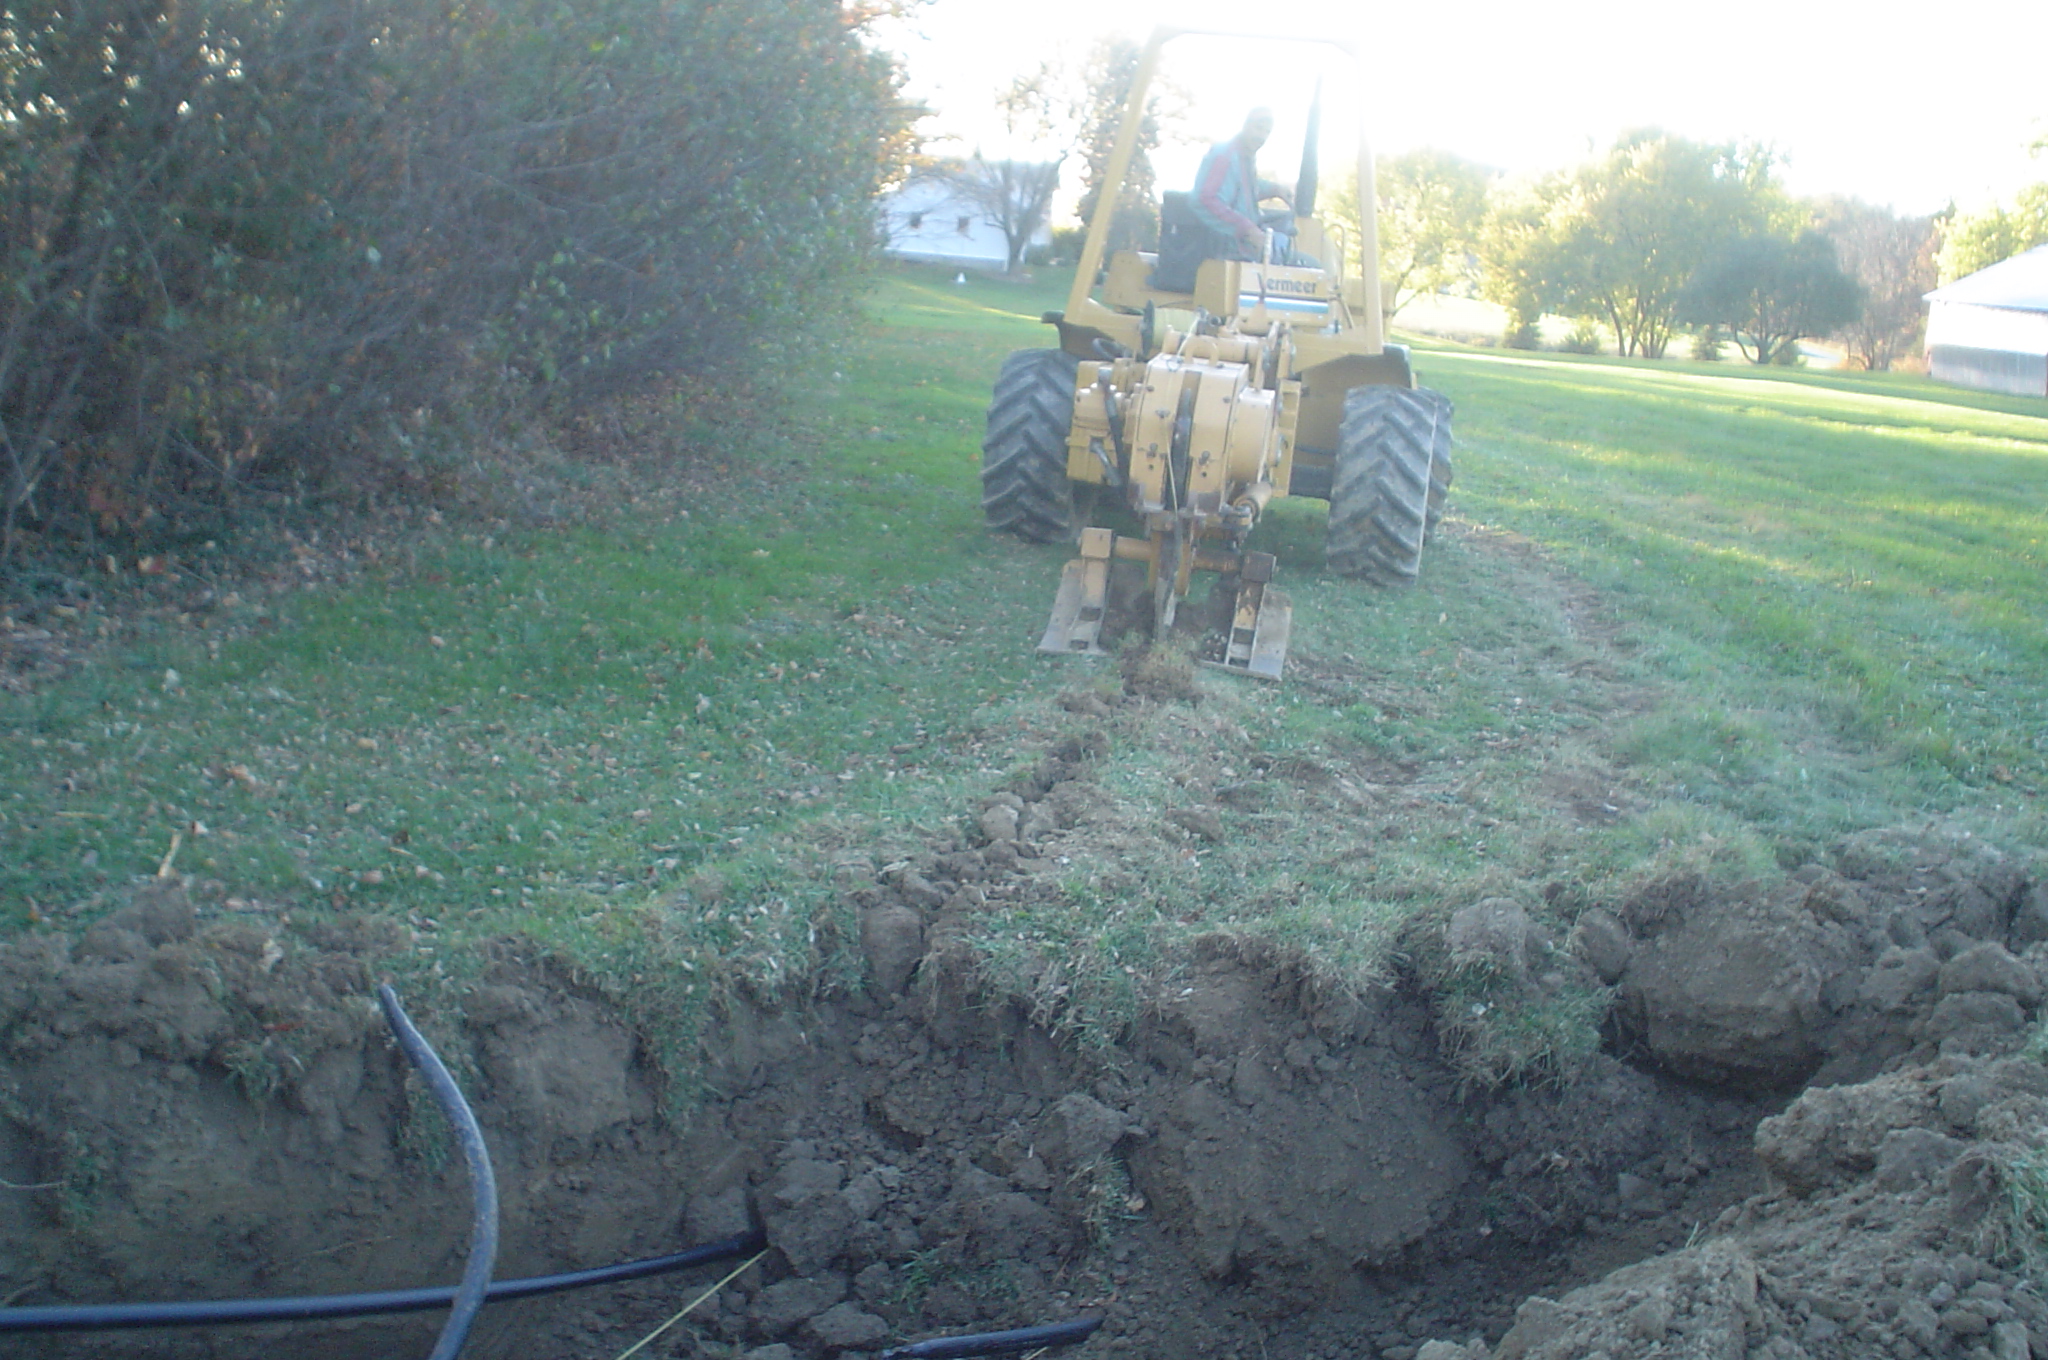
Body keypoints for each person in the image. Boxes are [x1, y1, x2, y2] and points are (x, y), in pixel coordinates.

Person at [1191, 108, 1296, 261]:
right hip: (1219, 253)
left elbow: (1244, 192)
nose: (1261, 136)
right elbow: (1205, 199)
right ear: (1246, 125)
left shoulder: (1245, 159)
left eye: (1266, 132)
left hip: (1241, 252)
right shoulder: (1224, 156)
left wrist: (1275, 189)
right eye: (1258, 128)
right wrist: (1247, 228)